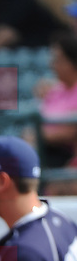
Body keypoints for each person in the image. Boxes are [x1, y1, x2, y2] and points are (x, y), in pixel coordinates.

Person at [37, 31, 77, 169]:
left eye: (57, 60)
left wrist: (37, 134)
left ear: (72, 62)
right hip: (45, 151)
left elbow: (70, 132)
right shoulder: (54, 89)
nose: (52, 65)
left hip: (64, 156)